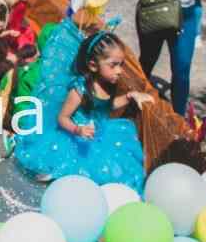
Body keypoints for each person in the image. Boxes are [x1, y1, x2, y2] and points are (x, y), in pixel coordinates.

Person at [14, 31, 151, 190]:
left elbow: (107, 105)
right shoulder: (80, 90)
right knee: (75, 169)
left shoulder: (108, 84)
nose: (119, 71)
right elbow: (62, 118)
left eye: (121, 64)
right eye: (113, 65)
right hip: (75, 136)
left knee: (114, 166)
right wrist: (78, 130)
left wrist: (129, 96)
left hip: (98, 133)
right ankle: (55, 172)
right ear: (93, 65)